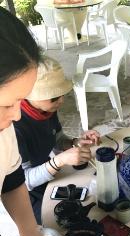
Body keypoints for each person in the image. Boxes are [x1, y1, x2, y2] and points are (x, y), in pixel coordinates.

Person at [0, 7, 76, 236]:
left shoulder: (4, 128)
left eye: (22, 100)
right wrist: (60, 161)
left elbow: (11, 177)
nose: (17, 115)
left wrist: (29, 232)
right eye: (8, 104)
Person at [13, 56, 100, 225]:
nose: (61, 101)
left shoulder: (46, 110)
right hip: (28, 195)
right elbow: (24, 183)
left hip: (50, 176)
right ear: (31, 95)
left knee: (94, 200)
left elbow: (58, 139)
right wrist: (58, 161)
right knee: (68, 223)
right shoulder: (15, 126)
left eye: (61, 94)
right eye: (53, 97)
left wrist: (76, 143)